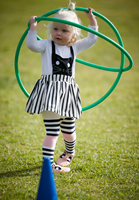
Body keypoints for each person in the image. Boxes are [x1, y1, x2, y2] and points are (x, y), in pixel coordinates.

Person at [25, 2, 98, 173]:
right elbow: (31, 45)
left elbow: (92, 38)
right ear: (51, 29)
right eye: (56, 29)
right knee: (52, 131)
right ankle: (48, 164)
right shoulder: (45, 44)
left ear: (73, 34)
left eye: (65, 31)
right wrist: (32, 28)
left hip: (67, 94)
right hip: (49, 92)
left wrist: (91, 20)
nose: (59, 33)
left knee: (68, 128)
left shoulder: (75, 47)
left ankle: (69, 152)